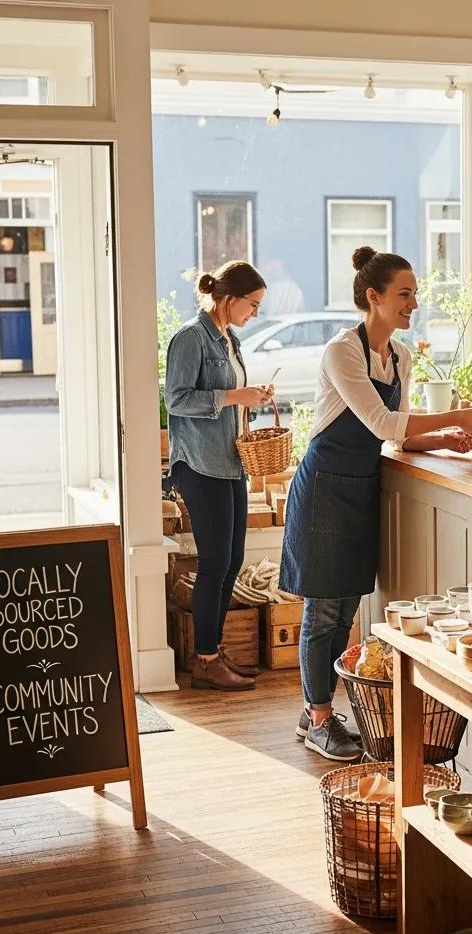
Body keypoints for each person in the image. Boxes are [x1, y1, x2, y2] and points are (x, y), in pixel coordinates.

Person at [281, 247, 472, 761]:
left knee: (349, 605)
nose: (413, 303)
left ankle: (318, 709)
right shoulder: (342, 352)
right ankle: (318, 718)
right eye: (404, 294)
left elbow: (395, 438)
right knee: (322, 609)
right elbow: (381, 422)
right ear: (373, 297)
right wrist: (459, 414)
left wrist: (446, 438)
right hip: (324, 489)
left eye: (415, 294)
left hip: (360, 488)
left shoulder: (398, 355)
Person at [165, 260, 273, 692]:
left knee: (231, 562)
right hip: (198, 463)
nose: (255, 313)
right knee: (214, 564)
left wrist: (253, 397)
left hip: (228, 463)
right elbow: (176, 399)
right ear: (229, 299)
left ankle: (213, 649)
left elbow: (229, 398)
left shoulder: (229, 338)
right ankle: (205, 661)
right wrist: (233, 395)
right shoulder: (191, 338)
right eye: (253, 304)